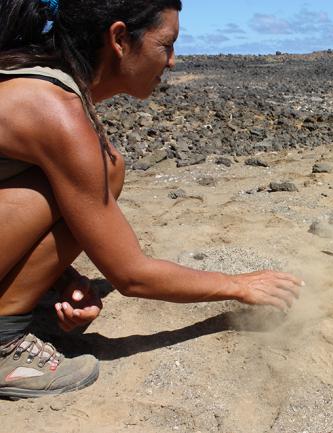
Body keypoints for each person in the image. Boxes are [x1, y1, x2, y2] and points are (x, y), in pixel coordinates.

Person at [0, 0, 302, 399]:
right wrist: (238, 285)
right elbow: (131, 274)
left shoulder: (40, 78)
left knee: (105, 169)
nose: (173, 61)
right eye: (166, 45)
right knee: (101, 172)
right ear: (120, 38)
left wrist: (59, 278)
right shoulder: (55, 111)